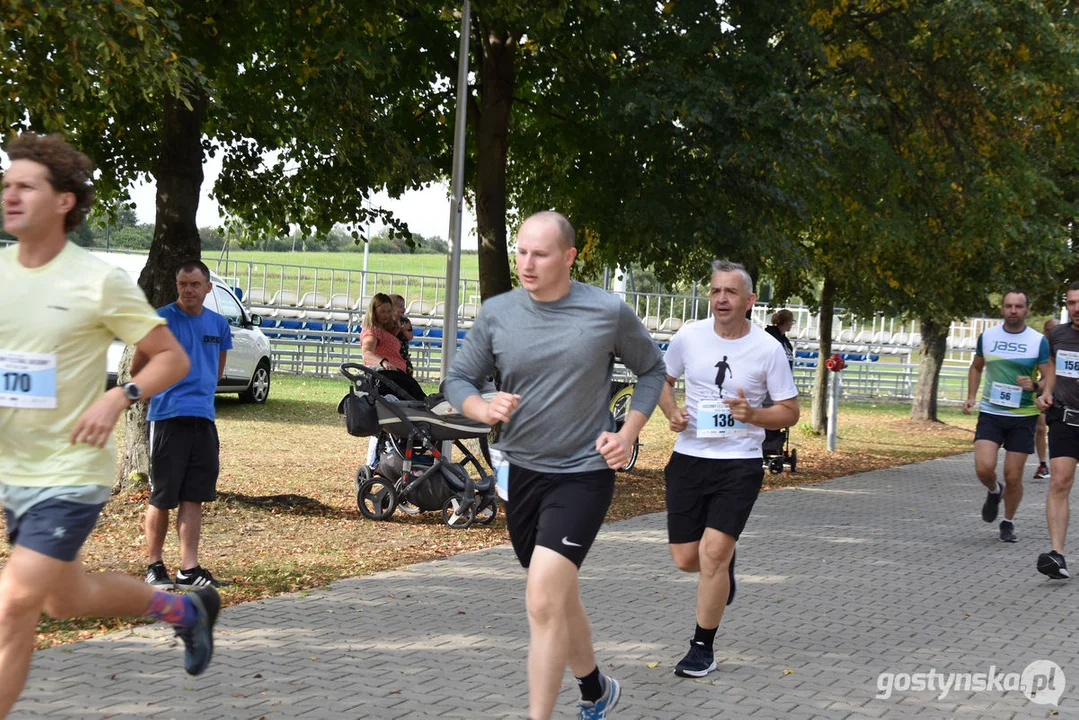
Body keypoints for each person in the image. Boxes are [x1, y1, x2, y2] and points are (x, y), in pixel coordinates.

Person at [0, 133, 217, 718]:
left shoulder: (96, 280)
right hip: (13, 473)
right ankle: (185, 611)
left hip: (71, 470)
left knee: (13, 603)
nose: (10, 195)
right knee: (63, 601)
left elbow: (171, 356)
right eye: (7, 185)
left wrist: (121, 395)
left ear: (63, 201)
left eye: (26, 186)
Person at [444, 211, 666, 720]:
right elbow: (458, 380)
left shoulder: (605, 311)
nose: (526, 263)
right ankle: (595, 688)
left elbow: (652, 369)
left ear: (568, 257)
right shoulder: (498, 313)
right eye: (521, 251)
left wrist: (627, 431)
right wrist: (483, 407)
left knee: (542, 599)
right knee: (557, 597)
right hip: (522, 473)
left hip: (584, 473)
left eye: (540, 254)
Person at [656, 261, 799, 679]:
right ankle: (722, 566)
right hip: (689, 458)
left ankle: (702, 647)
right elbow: (660, 381)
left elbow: (789, 412)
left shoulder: (768, 349)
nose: (721, 298)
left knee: (712, 554)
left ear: (750, 301)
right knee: (687, 559)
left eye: (731, 292)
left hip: (739, 464)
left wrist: (753, 414)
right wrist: (672, 412)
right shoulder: (689, 336)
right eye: (716, 291)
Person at [133, 259, 233, 590]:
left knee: (194, 496)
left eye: (194, 284)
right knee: (162, 495)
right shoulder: (160, 320)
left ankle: (188, 569)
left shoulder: (219, 324)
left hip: (202, 419)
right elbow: (138, 367)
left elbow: (216, 372)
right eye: (182, 284)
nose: (188, 290)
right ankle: (154, 566)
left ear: (208, 287)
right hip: (167, 418)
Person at [962, 291, 1051, 543]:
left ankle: (1008, 522)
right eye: (1009, 306)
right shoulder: (988, 336)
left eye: (1019, 306)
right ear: (1002, 309)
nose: (1013, 310)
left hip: (1023, 416)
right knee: (984, 467)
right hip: (991, 412)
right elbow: (976, 367)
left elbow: (1048, 379)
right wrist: (971, 396)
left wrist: (1034, 385)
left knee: (1013, 475)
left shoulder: (1037, 341)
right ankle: (993, 490)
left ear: (1027, 310)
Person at [1034, 287, 1079, 579]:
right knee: (1060, 482)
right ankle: (1057, 555)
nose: (1076, 308)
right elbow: (1047, 373)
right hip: (1065, 418)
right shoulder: (1057, 336)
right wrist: (1044, 392)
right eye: (1072, 303)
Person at [360, 293, 425, 400]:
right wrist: (383, 362)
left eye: (389, 311)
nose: (386, 315)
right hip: (387, 378)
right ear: (373, 312)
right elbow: (366, 353)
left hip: (397, 378)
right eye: (382, 312)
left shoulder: (386, 330)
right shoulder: (372, 331)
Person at [1025, 318, 1058, 480]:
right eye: (1048, 330)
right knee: (1040, 428)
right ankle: (1043, 464)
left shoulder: (1067, 343)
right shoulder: (1040, 347)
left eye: (1055, 329)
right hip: (1044, 391)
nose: (1051, 332)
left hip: (1066, 394)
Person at [390, 293, 415, 377]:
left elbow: (410, 336)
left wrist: (404, 331)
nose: (403, 309)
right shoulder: (388, 322)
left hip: (403, 355)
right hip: (392, 355)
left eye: (403, 306)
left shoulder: (406, 321)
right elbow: (390, 337)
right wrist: (398, 328)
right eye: (400, 307)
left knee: (407, 374)